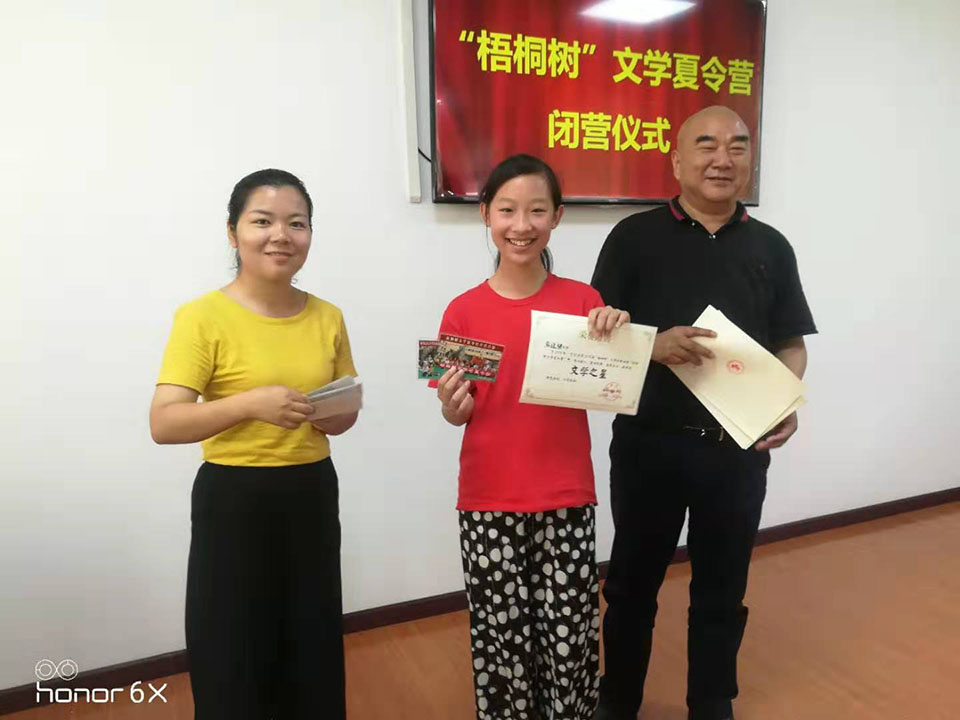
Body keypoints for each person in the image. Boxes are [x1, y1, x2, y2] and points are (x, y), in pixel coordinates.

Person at [591, 106, 817, 720]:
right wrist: (653, 345)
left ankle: (713, 701)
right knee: (631, 585)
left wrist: (783, 401)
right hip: (649, 444)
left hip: (735, 451)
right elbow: (595, 339)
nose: (723, 159)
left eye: (738, 146)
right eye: (707, 144)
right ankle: (619, 698)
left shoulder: (772, 246)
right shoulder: (632, 238)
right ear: (677, 159)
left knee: (723, 585)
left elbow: (791, 342)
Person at [149, 169, 358, 720]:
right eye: (262, 221)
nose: (281, 236)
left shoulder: (328, 316)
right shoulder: (201, 317)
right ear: (232, 231)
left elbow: (342, 414)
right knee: (232, 644)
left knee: (311, 636)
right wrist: (249, 404)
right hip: (232, 499)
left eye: (297, 223)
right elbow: (164, 422)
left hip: (311, 491)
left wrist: (336, 415)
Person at [433, 154, 630, 720]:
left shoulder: (585, 304)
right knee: (501, 638)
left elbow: (612, 386)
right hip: (488, 499)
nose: (522, 225)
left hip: (565, 494)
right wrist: (452, 406)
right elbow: (456, 412)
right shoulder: (462, 313)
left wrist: (618, 335)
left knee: (569, 633)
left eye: (537, 211)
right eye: (507, 211)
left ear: (557, 216)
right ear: (485, 215)